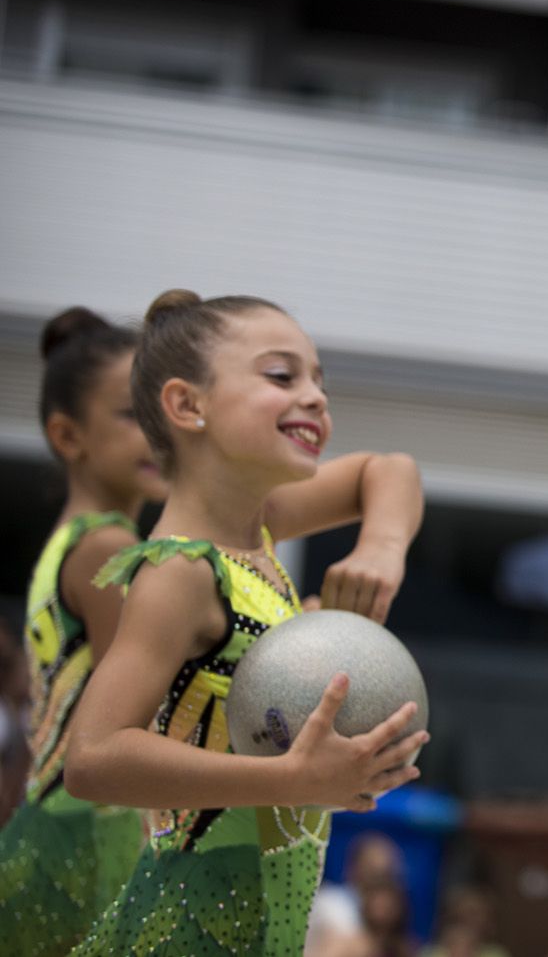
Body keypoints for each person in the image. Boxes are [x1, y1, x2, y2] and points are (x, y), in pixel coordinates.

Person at [62, 289, 428, 955]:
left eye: (320, 380)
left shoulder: (258, 531)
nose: (316, 396)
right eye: (282, 375)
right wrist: (294, 779)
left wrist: (380, 546)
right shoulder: (181, 572)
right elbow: (92, 757)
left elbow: (391, 470)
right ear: (187, 405)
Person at [0, 307, 168, 955]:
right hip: (85, 847)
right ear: (68, 436)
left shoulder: (70, 541)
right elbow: (151, 715)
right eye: (132, 415)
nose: (155, 434)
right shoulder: (106, 547)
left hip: (51, 838)